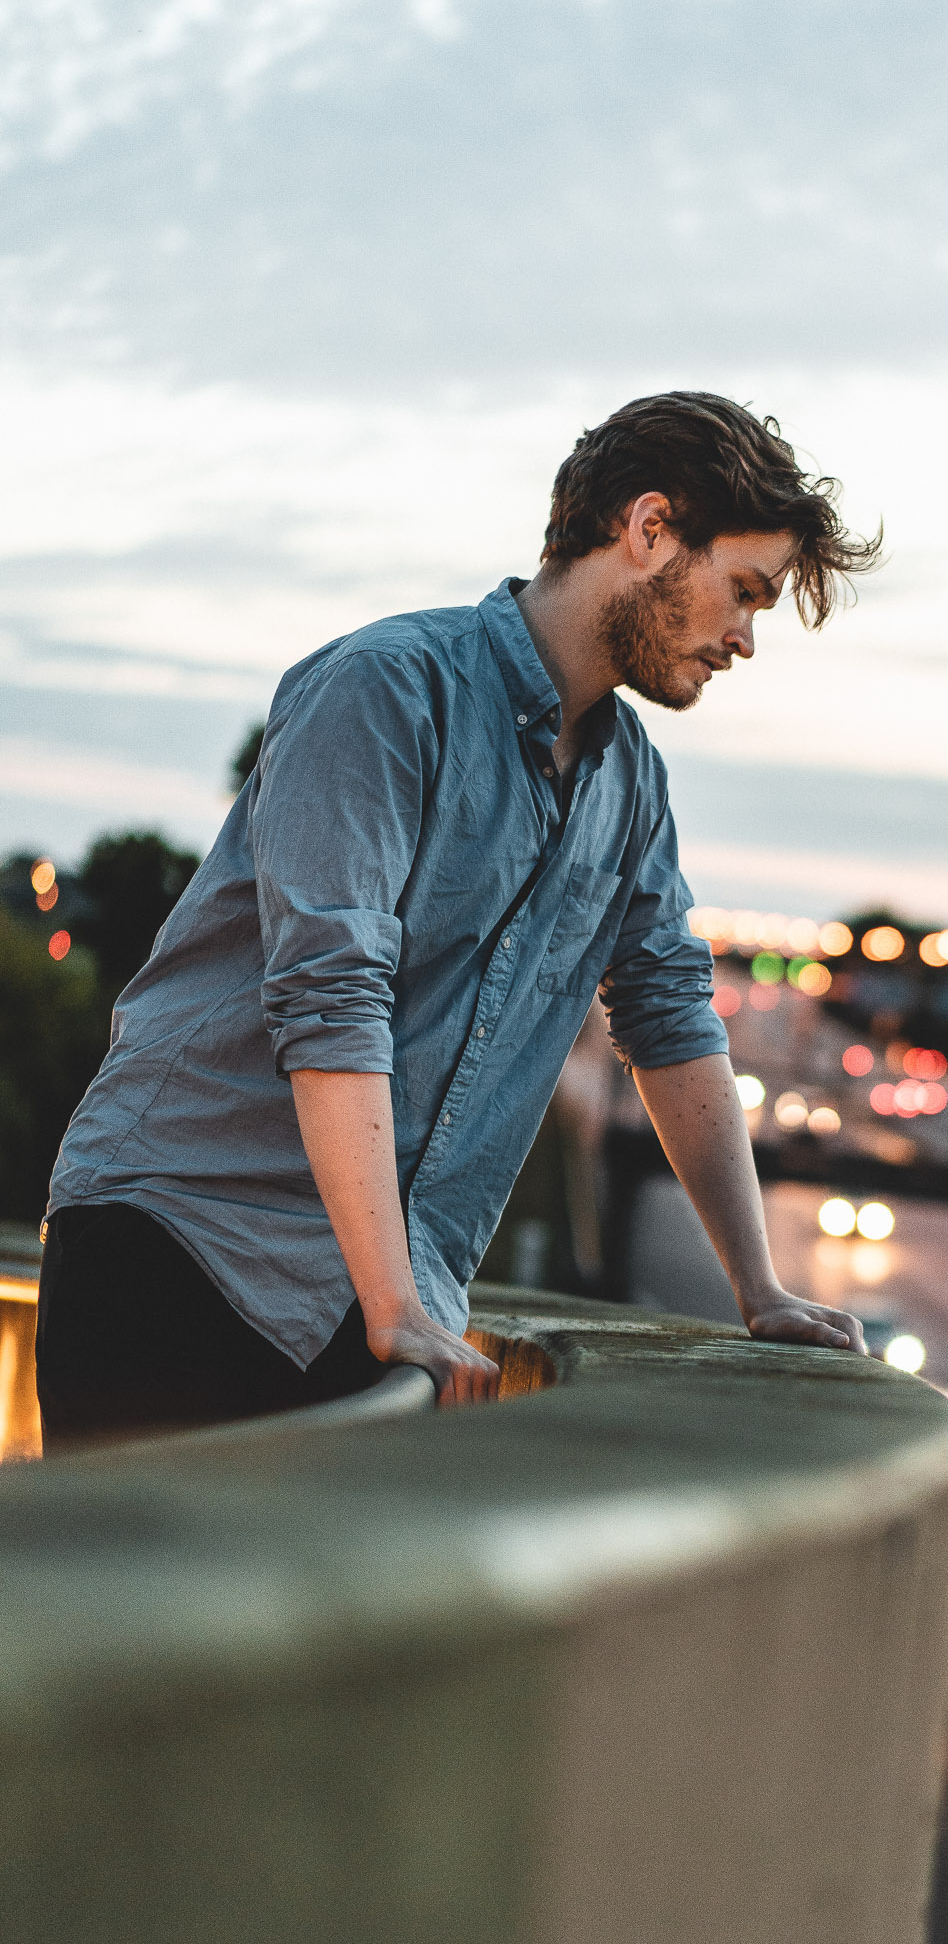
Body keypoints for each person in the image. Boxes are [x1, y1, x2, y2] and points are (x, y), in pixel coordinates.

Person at [38, 391, 882, 1448]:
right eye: (743, 592)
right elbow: (329, 991)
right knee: (150, 1612)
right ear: (649, 529)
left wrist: (759, 1291)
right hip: (184, 1251)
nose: (747, 639)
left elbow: (668, 1017)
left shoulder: (631, 785)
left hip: (380, 1301)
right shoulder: (387, 687)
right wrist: (392, 1303)